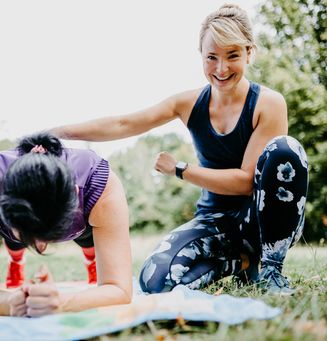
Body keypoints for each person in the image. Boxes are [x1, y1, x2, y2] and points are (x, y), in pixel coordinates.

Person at [51, 4, 309, 295]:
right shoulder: (187, 104)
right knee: (154, 280)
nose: (221, 69)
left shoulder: (268, 103)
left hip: (263, 220)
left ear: (250, 53)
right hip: (215, 221)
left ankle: (271, 269)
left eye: (232, 55)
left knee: (286, 150)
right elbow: (124, 124)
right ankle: (241, 262)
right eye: (211, 57)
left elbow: (245, 182)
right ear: (201, 56)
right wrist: (57, 133)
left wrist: (180, 169)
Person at [0, 132, 132, 317]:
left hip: (85, 221)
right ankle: (16, 256)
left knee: (87, 240)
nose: (41, 248)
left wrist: (62, 303)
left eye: (51, 234)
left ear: (74, 195)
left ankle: (90, 259)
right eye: (28, 234)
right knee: (16, 242)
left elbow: (119, 289)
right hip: (6, 215)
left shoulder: (99, 183)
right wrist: (11, 303)